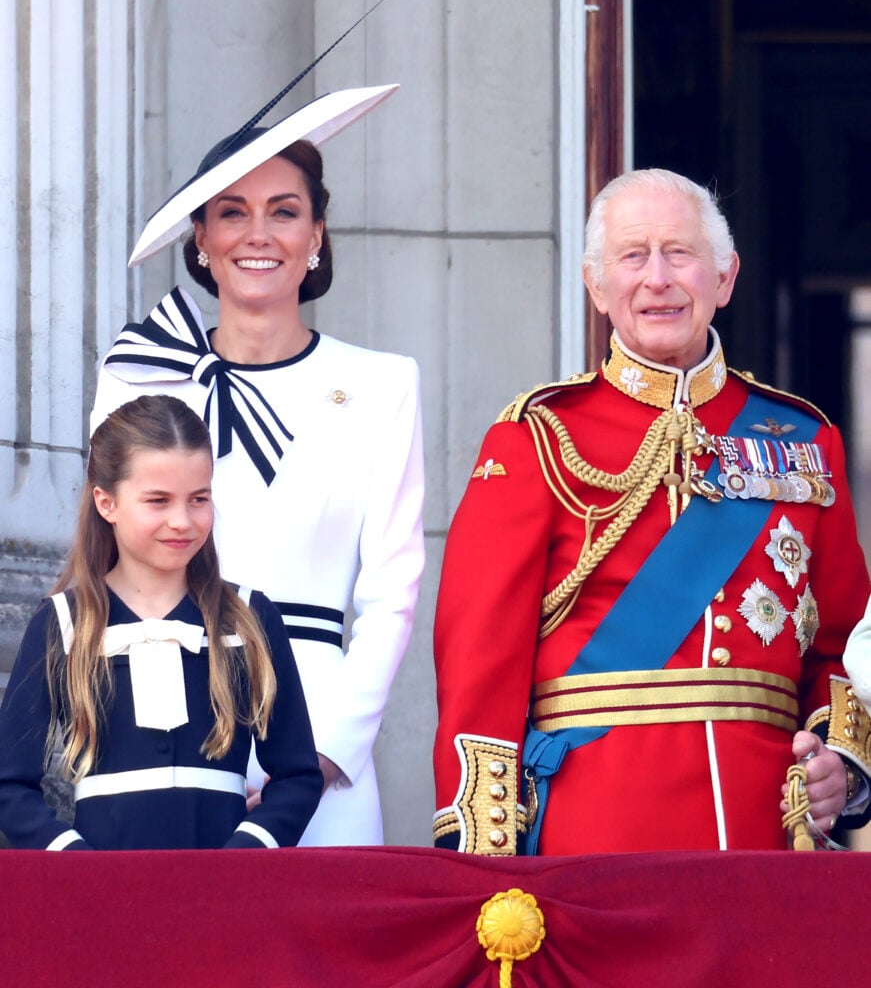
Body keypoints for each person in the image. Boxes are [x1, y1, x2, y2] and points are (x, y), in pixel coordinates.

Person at [432, 168, 871, 855]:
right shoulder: (537, 437)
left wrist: (839, 768)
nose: (657, 278)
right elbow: (478, 663)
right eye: (632, 255)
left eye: (681, 253)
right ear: (596, 285)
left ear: (724, 279)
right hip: (591, 830)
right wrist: (484, 855)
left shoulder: (805, 442)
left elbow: (840, 644)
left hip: (765, 833)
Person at [90, 86, 424, 846]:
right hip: (163, 727)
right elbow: (108, 558)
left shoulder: (382, 384)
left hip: (318, 736)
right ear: (200, 239)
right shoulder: (140, 375)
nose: (258, 233)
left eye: (284, 210)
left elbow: (391, 592)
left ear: (316, 236)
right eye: (231, 211)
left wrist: (326, 751)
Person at [0, 395, 322, 850]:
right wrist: (75, 864)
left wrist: (247, 854)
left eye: (198, 499)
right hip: (105, 898)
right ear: (106, 503)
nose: (182, 521)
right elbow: (9, 786)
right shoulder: (61, 625)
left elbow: (298, 775)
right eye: (158, 501)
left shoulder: (251, 619)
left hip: (227, 896)